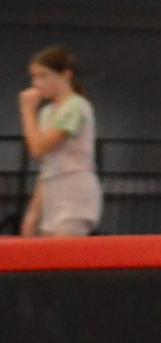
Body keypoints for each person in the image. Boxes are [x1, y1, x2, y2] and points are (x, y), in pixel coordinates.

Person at [16, 47, 101, 238]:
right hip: (52, 191)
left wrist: (27, 110)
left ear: (66, 75)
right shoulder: (47, 112)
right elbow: (47, 165)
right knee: (46, 252)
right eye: (34, 77)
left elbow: (38, 148)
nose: (37, 83)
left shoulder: (76, 106)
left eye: (43, 76)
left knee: (64, 251)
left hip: (74, 190)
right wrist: (33, 213)